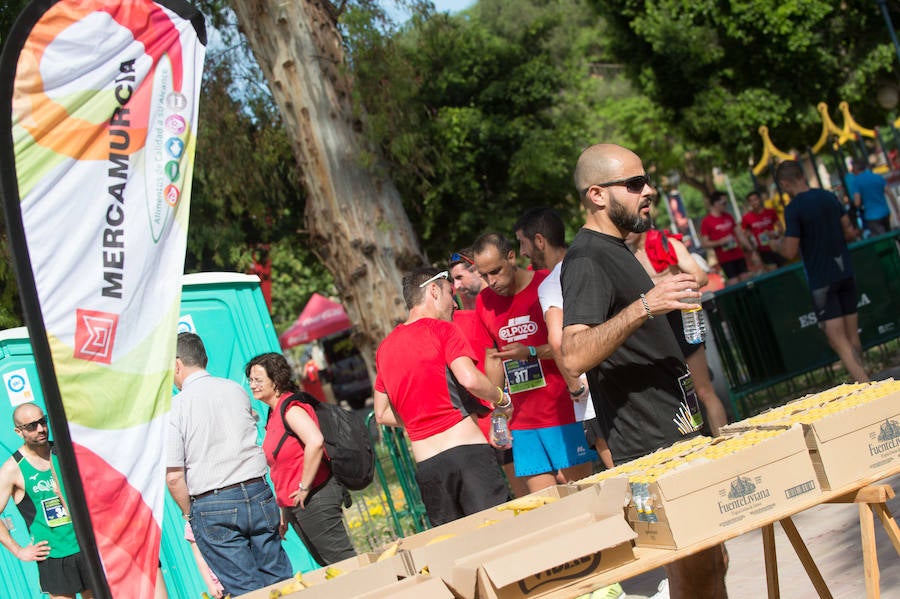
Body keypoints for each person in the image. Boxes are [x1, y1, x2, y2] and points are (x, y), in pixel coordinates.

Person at [561, 143, 727, 598]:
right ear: (597, 195)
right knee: (696, 571)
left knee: (713, 563)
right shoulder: (586, 258)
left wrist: (657, 300)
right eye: (635, 184)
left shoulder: (615, 250)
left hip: (675, 430)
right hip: (649, 446)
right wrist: (644, 306)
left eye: (646, 179)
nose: (648, 190)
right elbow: (572, 354)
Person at [373, 267, 511, 525]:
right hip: (468, 455)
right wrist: (501, 398)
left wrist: (417, 419)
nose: (454, 305)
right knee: (497, 535)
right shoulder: (442, 330)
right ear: (434, 291)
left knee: (456, 551)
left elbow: (380, 414)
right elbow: (469, 379)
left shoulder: (385, 348)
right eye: (450, 294)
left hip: (428, 466)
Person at [166, 333, 293, 596]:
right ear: (204, 359)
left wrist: (191, 513)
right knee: (280, 580)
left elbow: (174, 477)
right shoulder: (235, 389)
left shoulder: (175, 407)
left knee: (245, 589)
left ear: (177, 365)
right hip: (257, 491)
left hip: (212, 502)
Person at [473, 233, 596, 493]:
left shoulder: (546, 285)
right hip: (523, 422)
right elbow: (493, 359)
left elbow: (572, 346)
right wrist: (497, 410)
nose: (491, 282)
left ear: (511, 256)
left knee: (582, 494)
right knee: (547, 505)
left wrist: (530, 352)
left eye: (495, 271)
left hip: (563, 409)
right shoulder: (483, 302)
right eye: (484, 276)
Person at [513, 206, 614, 468]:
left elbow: (557, 343)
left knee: (625, 473)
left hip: (592, 398)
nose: (523, 253)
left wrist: (575, 387)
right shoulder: (595, 261)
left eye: (523, 244)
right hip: (624, 379)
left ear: (539, 241)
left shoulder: (550, 283)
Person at [245, 352, 356, 566]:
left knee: (344, 564)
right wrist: (286, 510)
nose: (252, 385)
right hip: (299, 505)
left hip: (316, 497)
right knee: (331, 566)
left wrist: (304, 487)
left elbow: (315, 441)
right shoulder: (274, 413)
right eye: (250, 380)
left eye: (258, 380)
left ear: (276, 380)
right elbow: (285, 466)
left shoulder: (290, 409)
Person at [774, 160, 870, 383]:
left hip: (821, 278)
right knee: (852, 335)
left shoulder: (794, 208)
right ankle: (866, 377)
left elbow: (789, 251)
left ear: (786, 183)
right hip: (844, 268)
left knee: (837, 339)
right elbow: (848, 231)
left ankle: (866, 384)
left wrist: (775, 245)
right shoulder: (828, 196)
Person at [629, 229, 729, 436]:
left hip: (682, 323)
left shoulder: (667, 244)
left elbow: (700, 277)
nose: (627, 231)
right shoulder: (623, 255)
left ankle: (726, 442)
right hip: (653, 332)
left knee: (703, 390)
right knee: (675, 399)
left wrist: (668, 289)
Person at [449, 249, 525, 498]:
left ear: (476, 272)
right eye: (452, 281)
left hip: (523, 405)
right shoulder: (455, 322)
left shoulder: (501, 308)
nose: (455, 286)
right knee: (521, 488)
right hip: (491, 417)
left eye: (459, 277)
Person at [0, 404, 93, 599]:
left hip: (85, 546)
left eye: (43, 422)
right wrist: (18, 551)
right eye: (32, 426)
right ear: (19, 431)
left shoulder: (64, 452)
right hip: (53, 556)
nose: (41, 429)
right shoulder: (12, 469)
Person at [700, 190, 753, 285]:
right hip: (725, 260)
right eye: (723, 203)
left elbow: (740, 234)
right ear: (715, 203)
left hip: (739, 255)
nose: (726, 205)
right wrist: (721, 242)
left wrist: (751, 250)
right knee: (735, 284)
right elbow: (704, 243)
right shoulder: (706, 221)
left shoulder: (728, 216)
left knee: (747, 283)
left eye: (726, 203)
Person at [741, 190, 785, 270]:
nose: (754, 203)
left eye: (756, 199)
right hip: (762, 250)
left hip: (776, 246)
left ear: (760, 199)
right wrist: (752, 248)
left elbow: (781, 229)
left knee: (784, 270)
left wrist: (773, 233)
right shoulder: (746, 218)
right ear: (749, 203)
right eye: (751, 201)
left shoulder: (770, 212)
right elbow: (744, 235)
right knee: (773, 270)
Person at [850, 157, 893, 236]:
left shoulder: (856, 181)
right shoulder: (877, 176)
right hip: (885, 212)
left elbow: (857, 202)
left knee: (882, 241)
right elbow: (890, 193)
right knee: (890, 235)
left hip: (871, 216)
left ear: (855, 169)